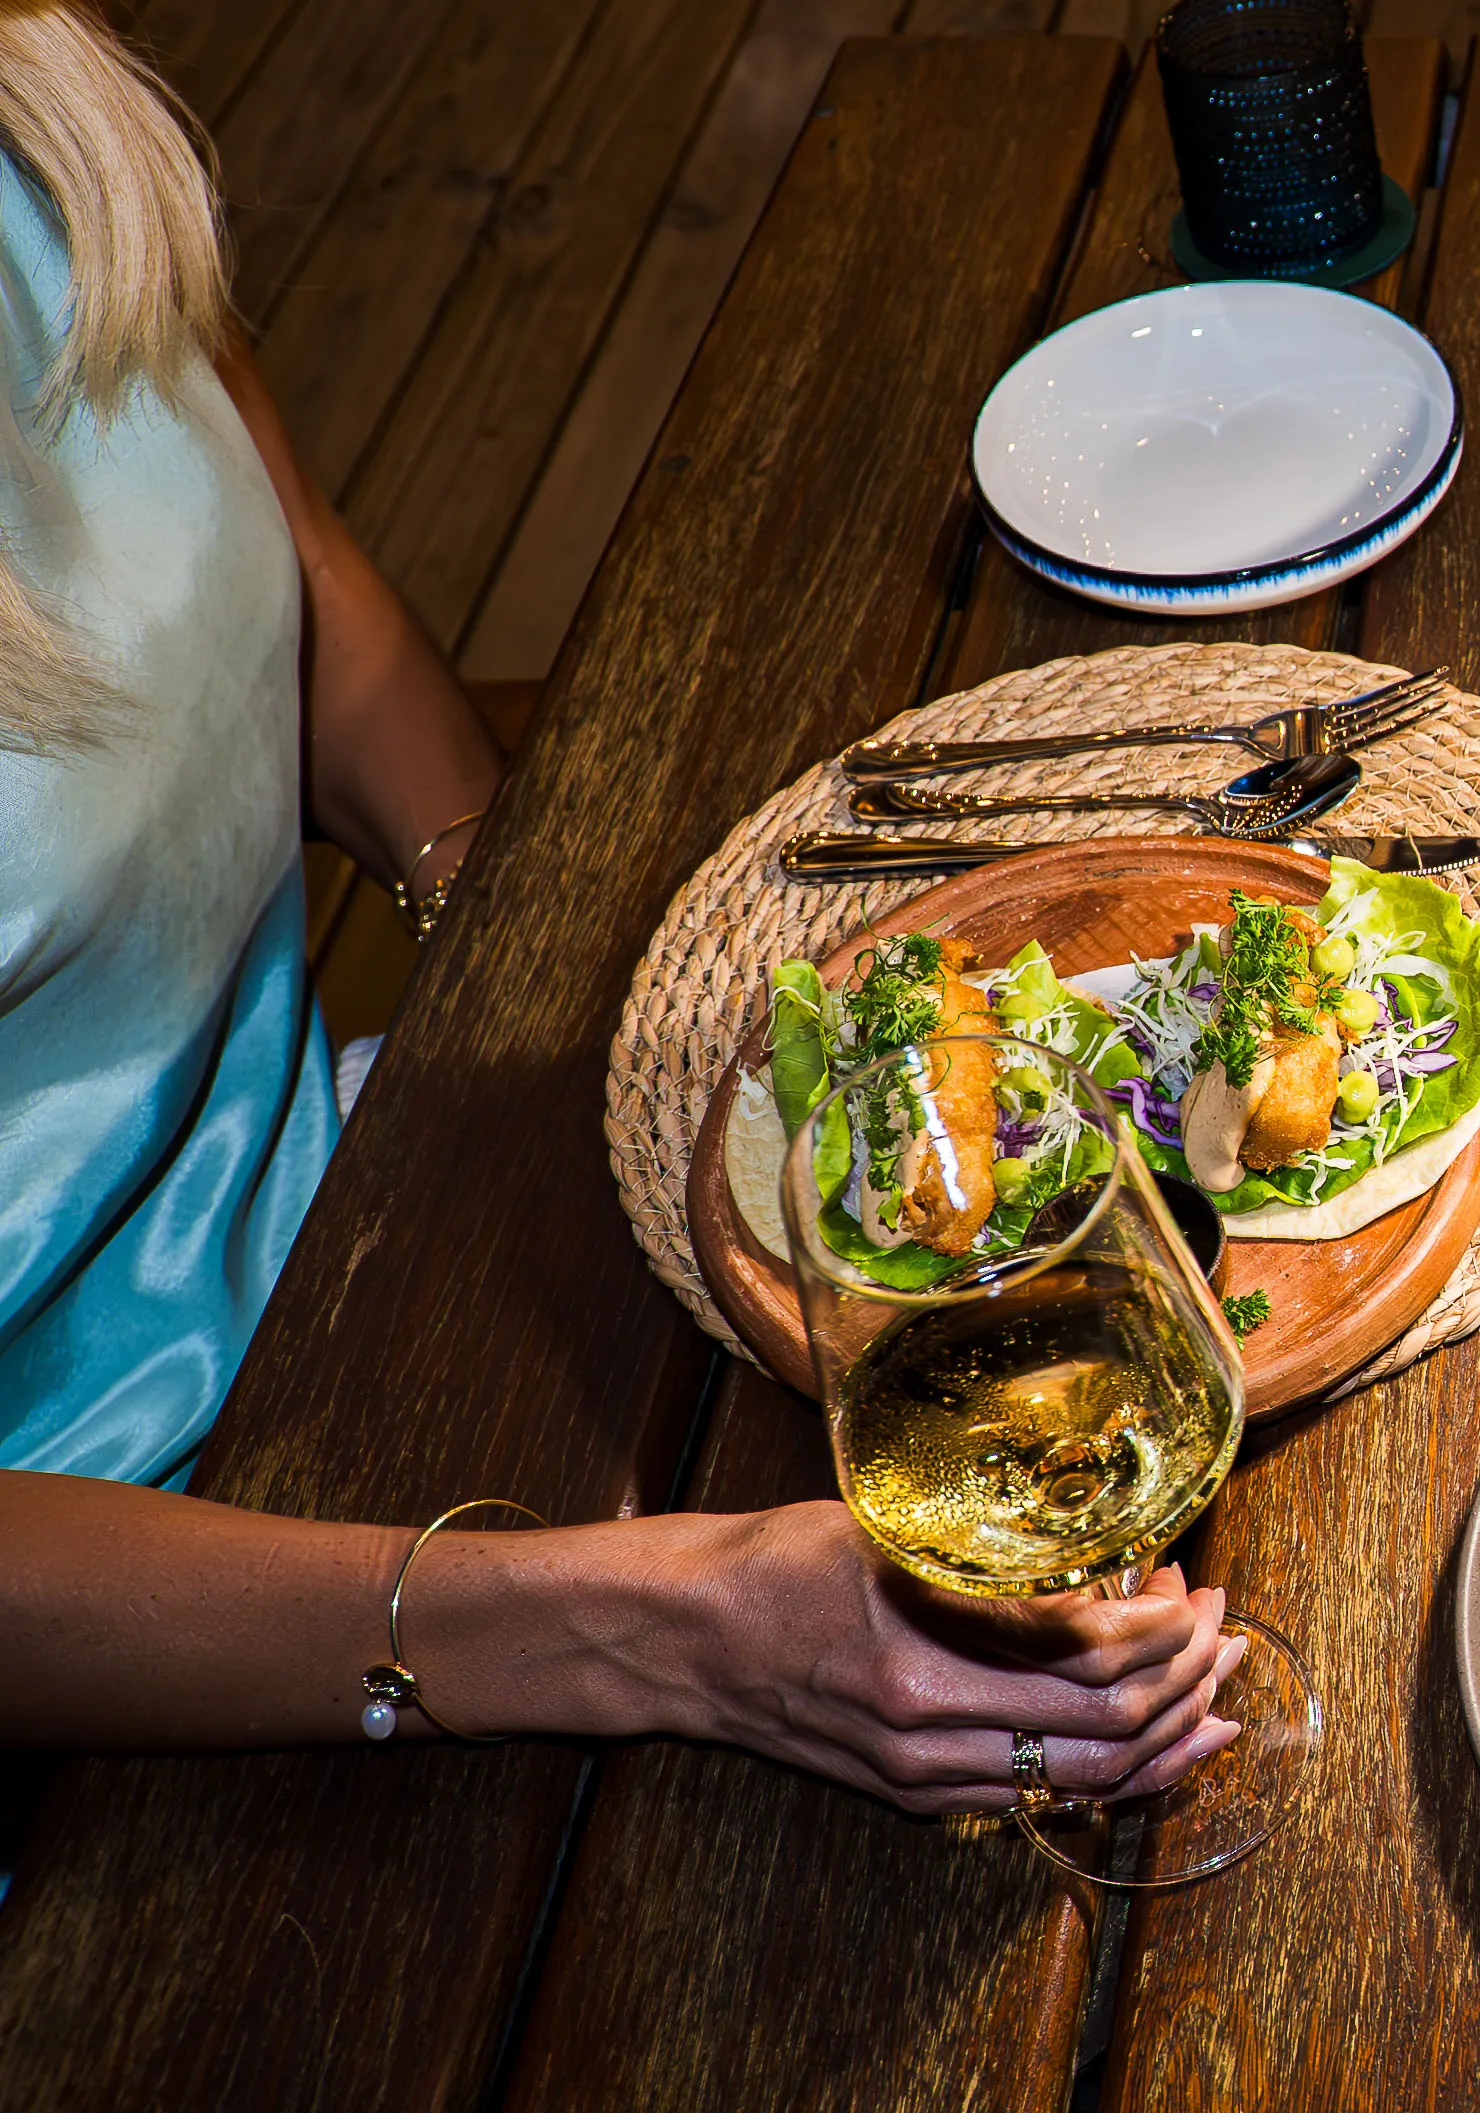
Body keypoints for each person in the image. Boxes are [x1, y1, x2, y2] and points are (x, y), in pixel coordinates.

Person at [0, 1, 1233, 1818]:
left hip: (380, 1208)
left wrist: (519, 958)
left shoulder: (41, 108)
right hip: (157, 1646)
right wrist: (659, 1632)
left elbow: (293, 578)